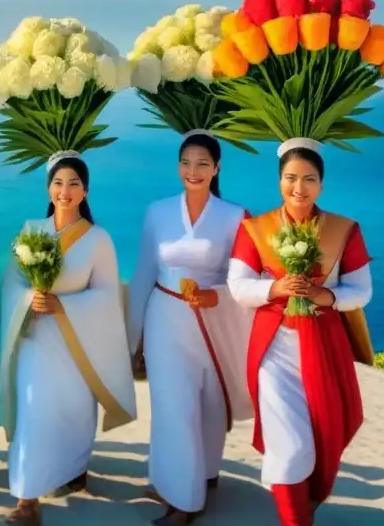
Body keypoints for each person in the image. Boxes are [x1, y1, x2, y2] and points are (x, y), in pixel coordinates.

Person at [227, 138, 375, 526]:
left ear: (321, 185)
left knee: (326, 433)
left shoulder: (344, 230)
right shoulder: (256, 229)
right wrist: (274, 289)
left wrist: (323, 295)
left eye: (309, 179)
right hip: (273, 348)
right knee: (290, 446)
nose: (299, 187)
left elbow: (361, 291)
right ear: (279, 181)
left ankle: (305, 500)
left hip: (324, 347)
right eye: (291, 178)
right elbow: (238, 286)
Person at [0, 151, 137, 525]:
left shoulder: (98, 240)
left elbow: (108, 296)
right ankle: (27, 501)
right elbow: (11, 284)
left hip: (77, 346)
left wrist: (63, 306)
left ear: (86, 190)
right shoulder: (31, 231)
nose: (65, 190)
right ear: (48, 188)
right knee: (33, 413)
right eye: (58, 183)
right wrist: (30, 298)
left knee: (72, 414)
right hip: (35, 342)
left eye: (74, 183)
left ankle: (73, 468)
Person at [127, 131, 254, 524]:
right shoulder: (157, 211)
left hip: (214, 322)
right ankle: (183, 497)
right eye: (186, 162)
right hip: (165, 317)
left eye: (202, 163)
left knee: (211, 406)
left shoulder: (236, 216)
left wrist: (215, 295)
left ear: (216, 169)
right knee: (173, 408)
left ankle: (204, 474)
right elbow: (145, 271)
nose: (193, 171)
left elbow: (244, 277)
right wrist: (134, 337)